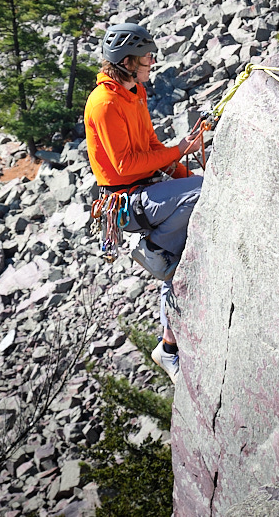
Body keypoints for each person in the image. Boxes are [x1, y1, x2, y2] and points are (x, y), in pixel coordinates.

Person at [84, 22, 204, 378]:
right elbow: (122, 166)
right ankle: (154, 250)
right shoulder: (104, 103)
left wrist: (185, 169)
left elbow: (151, 147)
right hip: (127, 199)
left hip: (146, 188)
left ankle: (168, 346)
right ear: (127, 60)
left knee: (180, 253)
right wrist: (180, 151)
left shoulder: (135, 93)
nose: (152, 61)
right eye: (146, 56)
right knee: (198, 199)